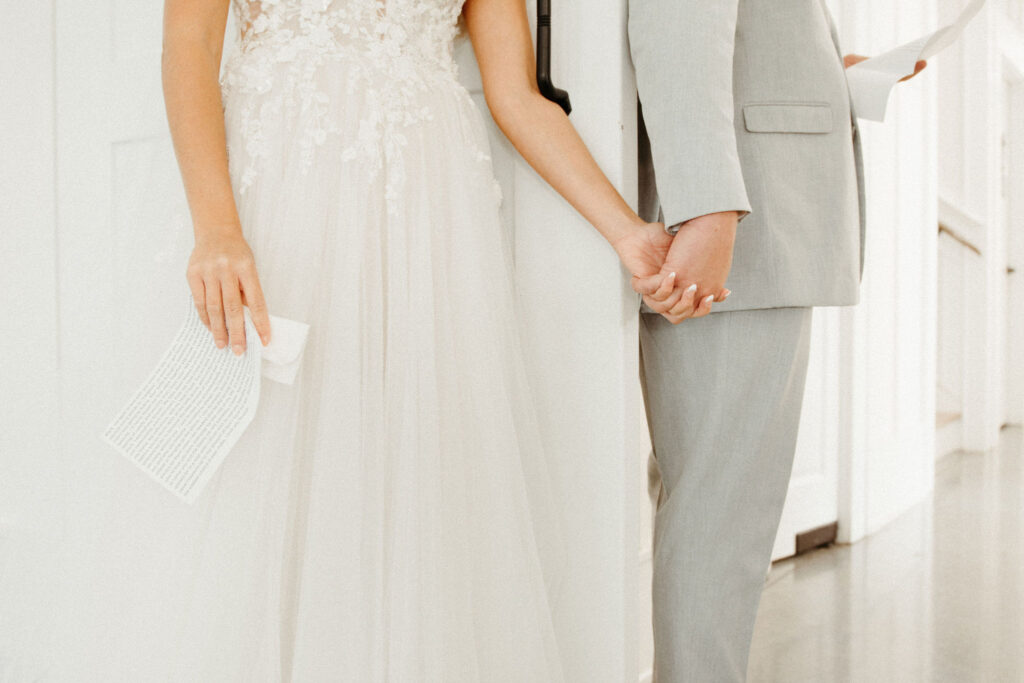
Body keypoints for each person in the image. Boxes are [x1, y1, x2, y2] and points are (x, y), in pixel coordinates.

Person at [149, 0, 717, 679]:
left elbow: (517, 97)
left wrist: (627, 232)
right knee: (260, 479)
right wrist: (216, 228)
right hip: (280, 200)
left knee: (411, 478)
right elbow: (188, 45)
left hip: (426, 217)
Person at [627, 1, 925, 681]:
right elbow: (678, 23)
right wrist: (707, 207)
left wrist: (833, 78)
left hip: (758, 212)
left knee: (714, 507)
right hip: (741, 226)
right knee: (718, 517)